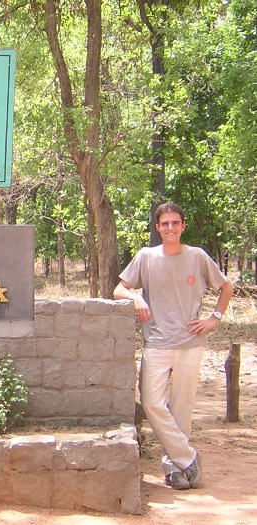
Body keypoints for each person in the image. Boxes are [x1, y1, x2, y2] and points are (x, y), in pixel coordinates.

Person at [114, 202, 234, 490]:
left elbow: (225, 287)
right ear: (158, 227)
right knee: (152, 403)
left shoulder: (197, 257)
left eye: (175, 223)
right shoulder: (145, 256)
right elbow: (119, 290)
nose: (170, 228)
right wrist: (137, 299)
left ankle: (176, 469)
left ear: (182, 226)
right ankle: (189, 456)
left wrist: (214, 318)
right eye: (164, 223)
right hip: (156, 342)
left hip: (191, 343)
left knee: (182, 407)